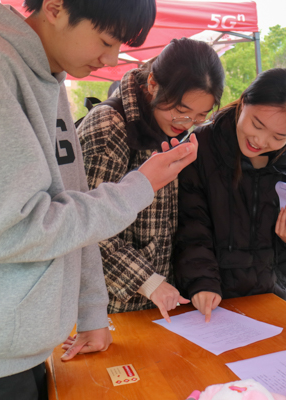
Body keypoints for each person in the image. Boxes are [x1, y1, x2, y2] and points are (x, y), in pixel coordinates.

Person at [0, 0, 197, 398]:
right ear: (55, 7)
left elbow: (73, 201)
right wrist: (140, 186)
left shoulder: (49, 73)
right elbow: (12, 230)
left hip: (25, 344)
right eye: (106, 41)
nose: (112, 59)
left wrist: (92, 308)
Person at [78, 38, 225, 323]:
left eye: (200, 116)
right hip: (105, 314)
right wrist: (148, 281)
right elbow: (84, 228)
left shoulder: (170, 129)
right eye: (180, 110)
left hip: (157, 308)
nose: (186, 123)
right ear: (153, 83)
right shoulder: (110, 126)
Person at [175, 68, 286, 322]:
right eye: (256, 124)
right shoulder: (202, 146)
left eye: (279, 137)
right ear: (244, 101)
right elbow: (191, 224)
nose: (260, 140)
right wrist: (202, 281)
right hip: (214, 300)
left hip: (280, 301)